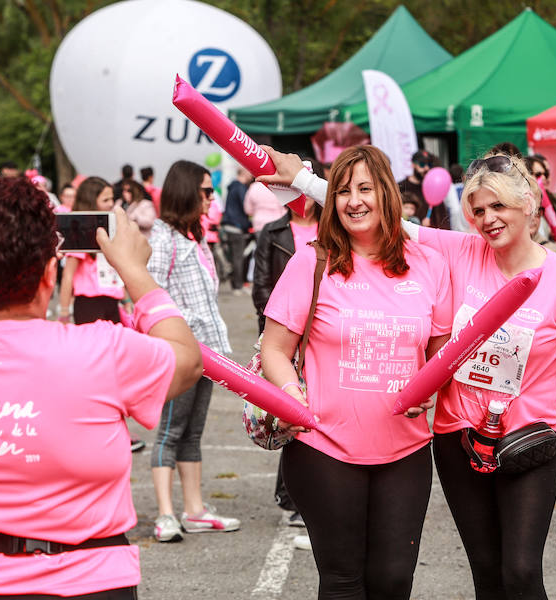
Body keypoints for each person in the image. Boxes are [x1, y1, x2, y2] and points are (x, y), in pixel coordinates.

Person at [257, 146, 556, 600]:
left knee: (520, 573)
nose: (488, 219)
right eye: (477, 210)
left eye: (498, 206)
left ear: (529, 203)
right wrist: (303, 181)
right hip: (456, 437)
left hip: (527, 439)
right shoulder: (461, 253)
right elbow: (372, 212)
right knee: (484, 568)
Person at [0, 176, 202, 598]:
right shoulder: (102, 350)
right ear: (50, 271)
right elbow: (187, 360)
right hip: (88, 581)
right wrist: (132, 268)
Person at [261, 145, 455, 599]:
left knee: (392, 581)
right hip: (323, 447)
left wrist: (433, 384)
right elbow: (273, 347)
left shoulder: (429, 264)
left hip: (405, 451)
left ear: (387, 194)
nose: (354, 200)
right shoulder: (311, 262)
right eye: (343, 190)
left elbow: (439, 352)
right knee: (344, 581)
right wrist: (291, 393)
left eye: (365, 188)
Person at [146, 160, 239, 543]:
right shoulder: (162, 236)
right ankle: (167, 514)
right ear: (186, 191)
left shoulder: (194, 235)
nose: (211, 198)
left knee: (193, 431)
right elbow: (151, 293)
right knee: (170, 430)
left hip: (207, 352)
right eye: (205, 190)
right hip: (179, 351)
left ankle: (195, 509)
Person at [251, 159, 323, 536]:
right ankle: (290, 495)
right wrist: (278, 329)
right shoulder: (271, 232)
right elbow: (260, 286)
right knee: (288, 410)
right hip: (285, 337)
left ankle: (304, 493)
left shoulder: (334, 228)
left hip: (325, 336)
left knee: (318, 413)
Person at [57, 177, 123, 325]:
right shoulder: (80, 232)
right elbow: (68, 275)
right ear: (91, 201)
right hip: (89, 304)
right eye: (106, 200)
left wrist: (126, 299)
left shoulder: (110, 229)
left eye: (112, 199)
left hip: (112, 300)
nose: (111, 204)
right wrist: (64, 312)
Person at [220, 167, 253, 294]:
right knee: (239, 258)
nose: (252, 176)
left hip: (229, 225)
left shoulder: (232, 187)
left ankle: (237, 284)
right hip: (237, 227)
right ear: (244, 172)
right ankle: (238, 286)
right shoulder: (240, 188)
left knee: (235, 257)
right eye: (250, 173)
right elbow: (247, 207)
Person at [398, 149, 434, 222]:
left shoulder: (432, 188)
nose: (426, 168)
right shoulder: (400, 186)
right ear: (413, 164)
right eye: (422, 164)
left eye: (429, 165)